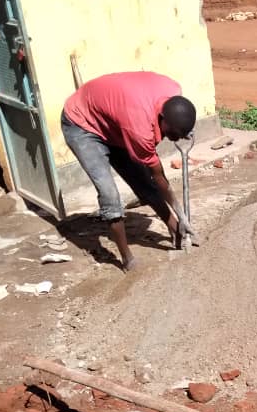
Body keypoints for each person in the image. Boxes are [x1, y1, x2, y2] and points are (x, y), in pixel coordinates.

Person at [62, 71, 198, 271]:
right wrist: (180, 212)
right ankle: (127, 260)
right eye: (172, 134)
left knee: (144, 183)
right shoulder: (139, 129)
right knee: (110, 195)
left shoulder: (173, 89)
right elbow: (158, 174)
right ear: (162, 118)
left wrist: (180, 220)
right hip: (82, 125)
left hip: (114, 121)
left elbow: (152, 180)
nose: (173, 140)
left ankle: (176, 231)